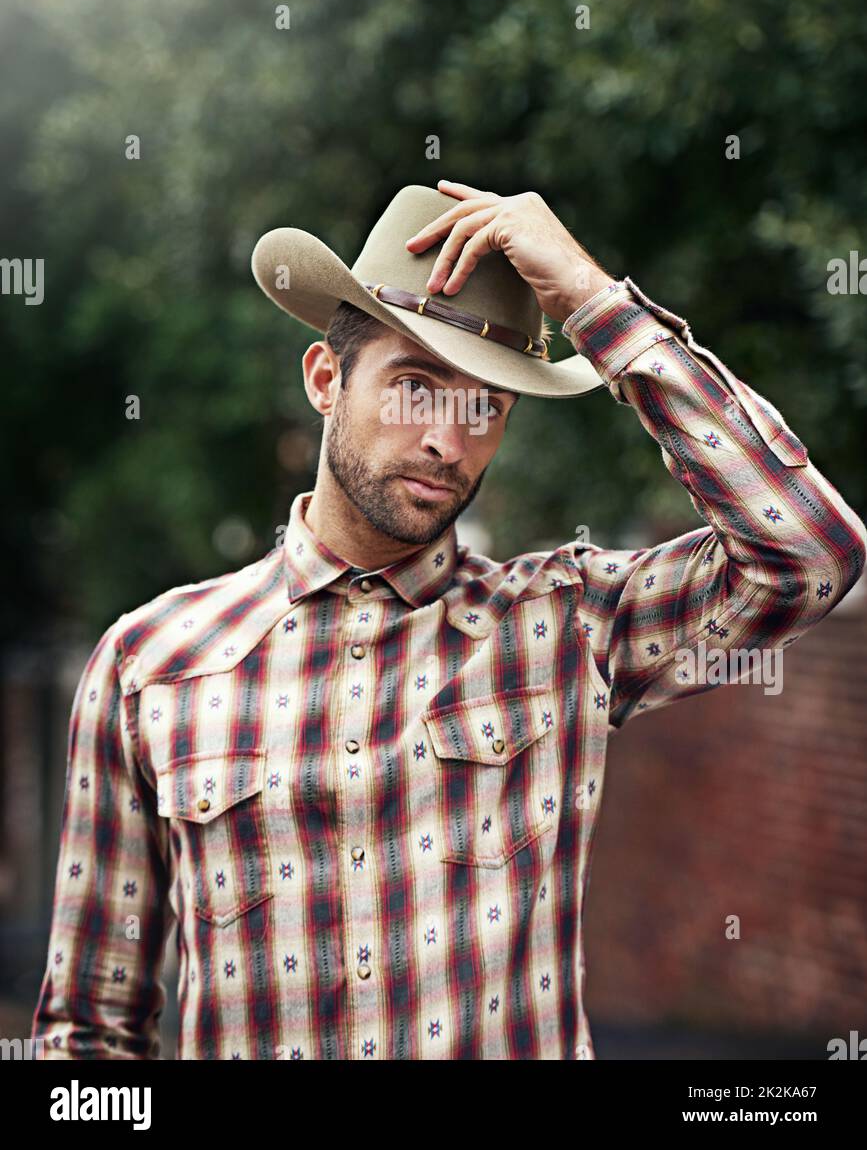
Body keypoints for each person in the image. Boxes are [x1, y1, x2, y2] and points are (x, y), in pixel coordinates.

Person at [31, 181, 866, 1060]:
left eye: (484, 407)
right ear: (325, 378)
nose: (446, 439)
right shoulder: (150, 664)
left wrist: (590, 299)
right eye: (415, 386)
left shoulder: (564, 626)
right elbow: (88, 1033)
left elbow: (810, 553)